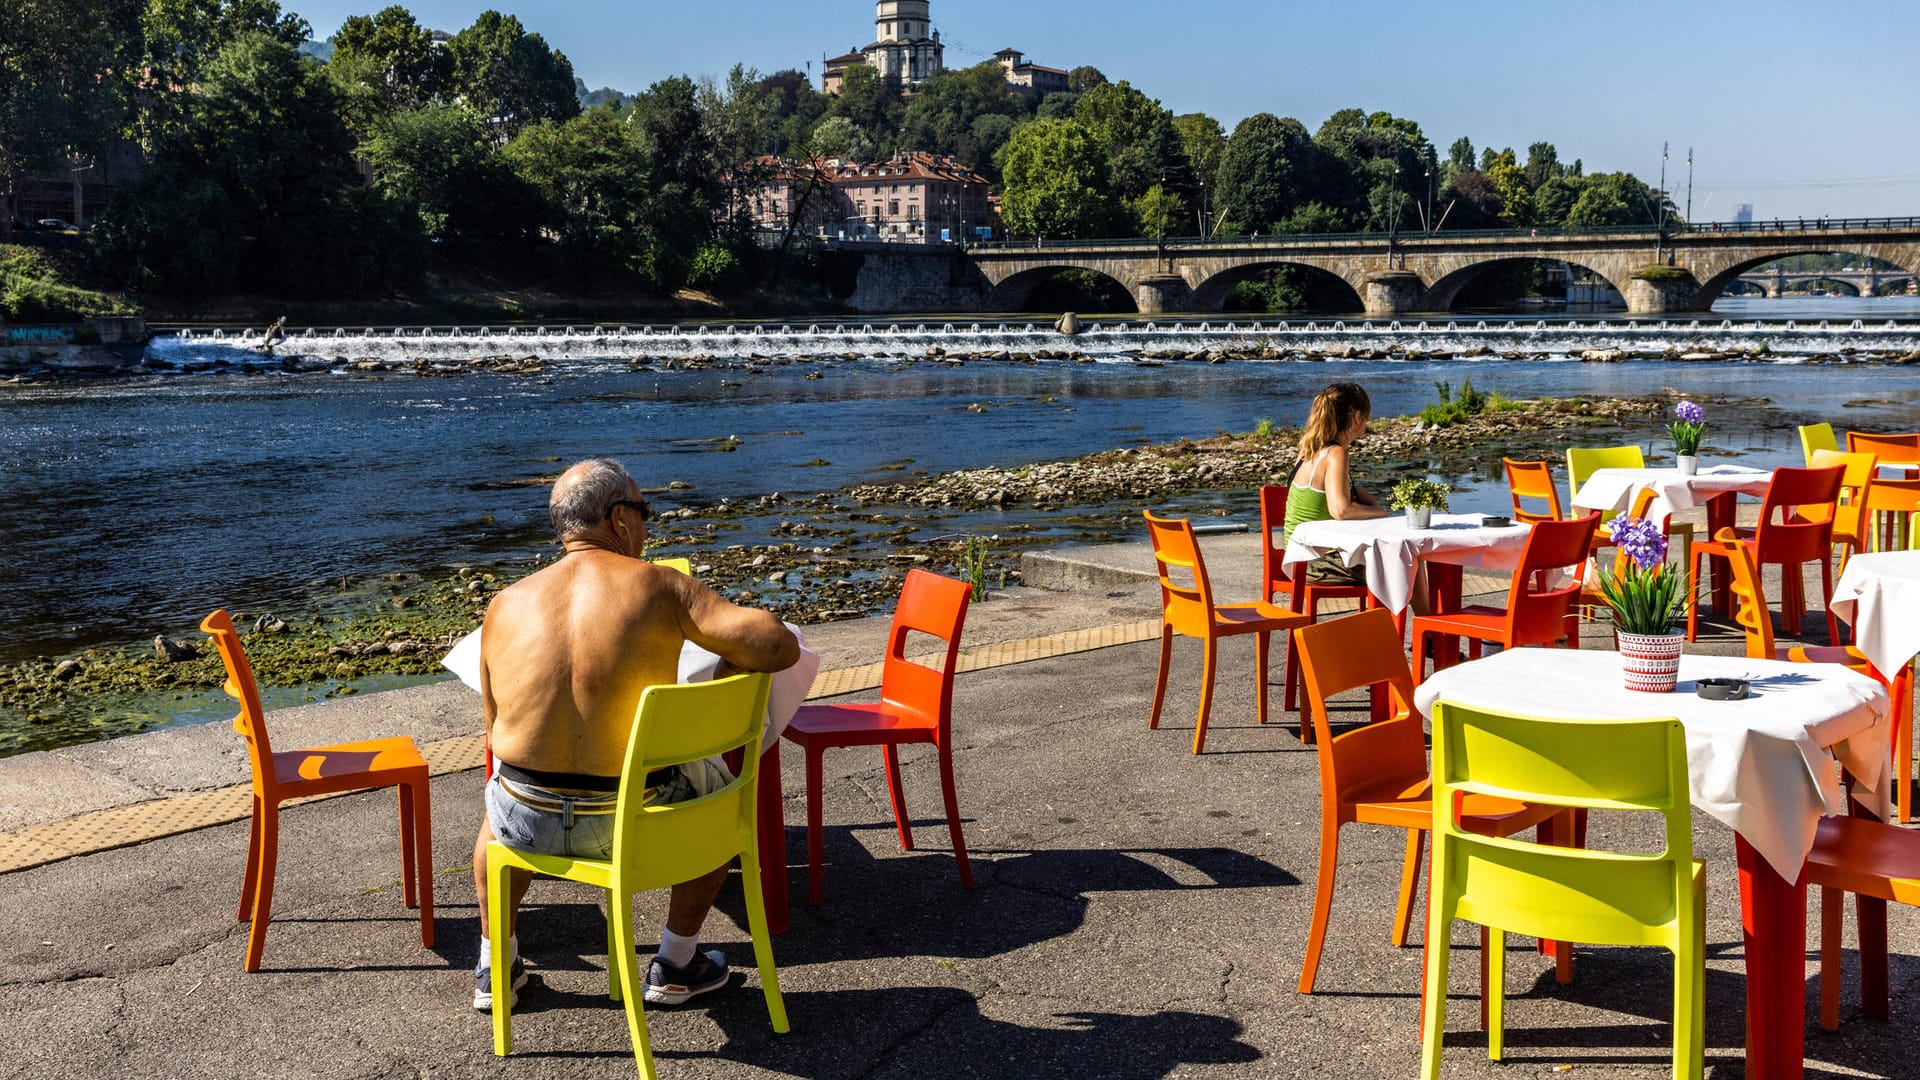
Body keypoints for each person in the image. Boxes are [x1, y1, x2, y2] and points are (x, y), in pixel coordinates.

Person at [471, 458, 800, 1012]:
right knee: (718, 793)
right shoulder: (663, 587)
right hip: (635, 824)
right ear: (618, 519)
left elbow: (494, 727)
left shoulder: (504, 604)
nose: (648, 528)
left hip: (527, 825)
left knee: (500, 797)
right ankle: (675, 963)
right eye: (645, 513)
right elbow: (778, 646)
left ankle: (494, 962)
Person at [1282, 382, 1384, 588]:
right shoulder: (1336, 454)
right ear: (1356, 417)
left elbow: (1326, 490)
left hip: (1295, 558)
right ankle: (1427, 618)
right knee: (1401, 565)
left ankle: (1416, 618)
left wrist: (1366, 499)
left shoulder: (1308, 450)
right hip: (1316, 563)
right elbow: (1341, 510)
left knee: (1394, 564)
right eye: (1366, 416)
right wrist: (1381, 513)